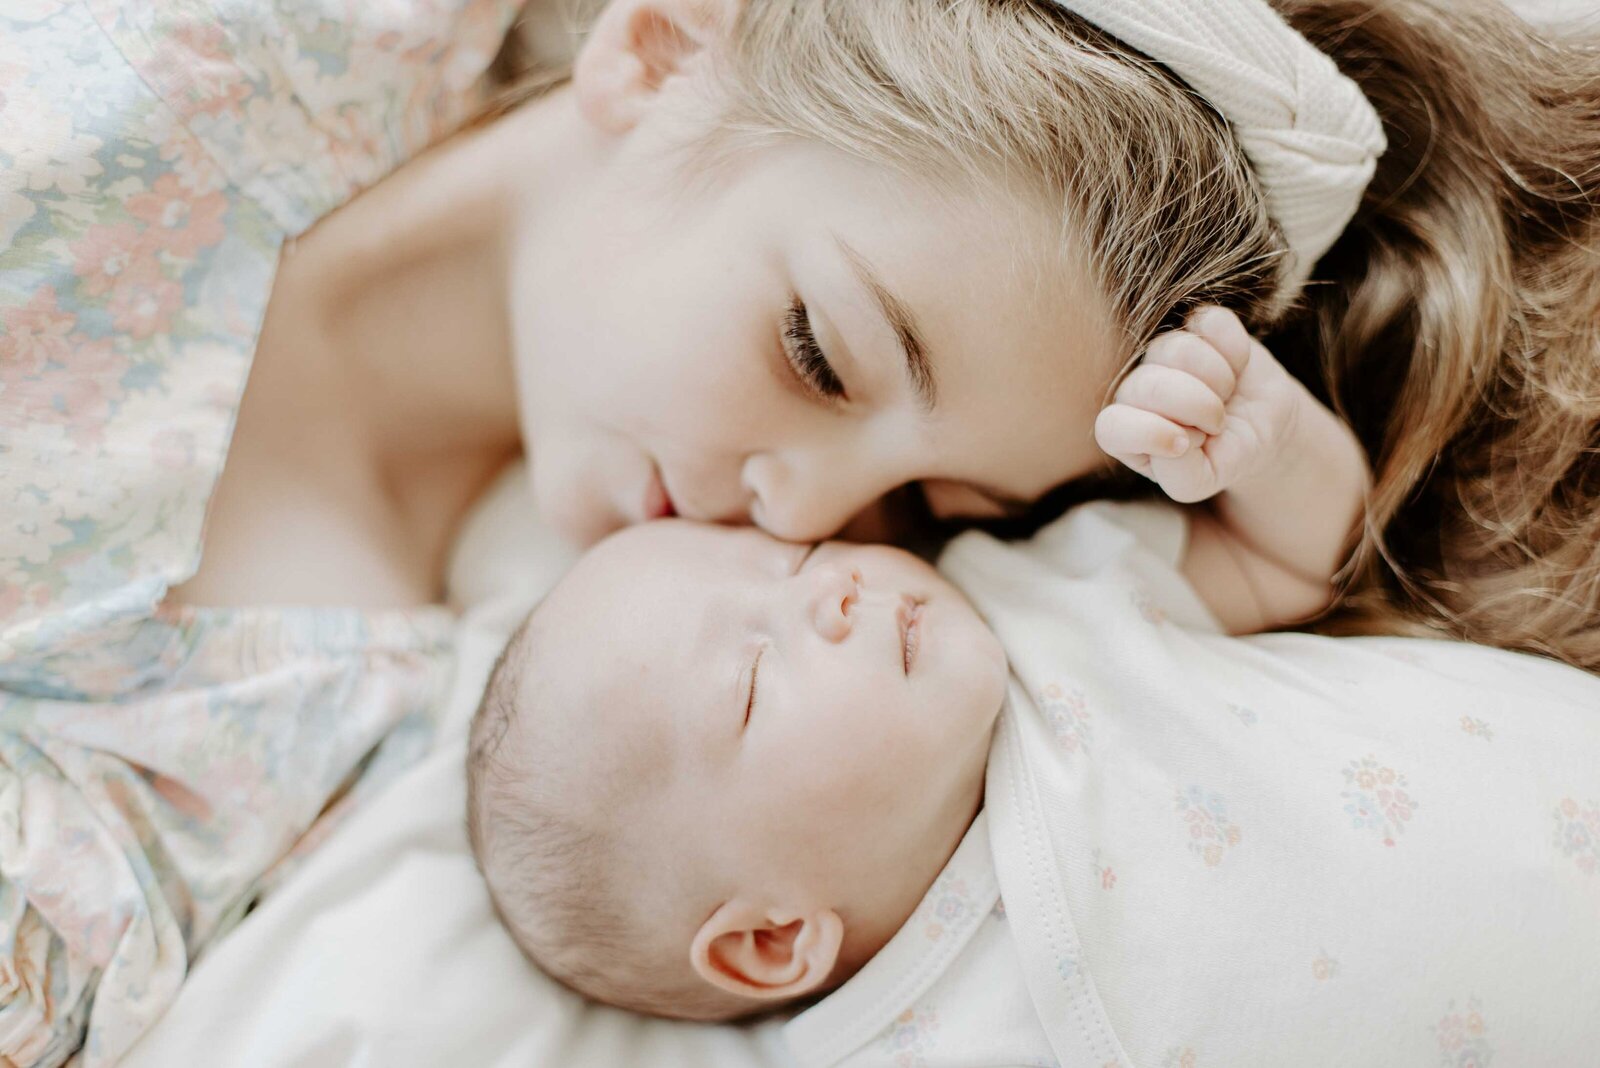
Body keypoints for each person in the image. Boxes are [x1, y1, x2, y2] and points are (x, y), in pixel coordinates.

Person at [2, 0, 1594, 1061]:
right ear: (669, 41)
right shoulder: (263, 45)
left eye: (934, 508)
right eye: (821, 353)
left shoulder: (383, 757)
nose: (817, 525)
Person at [464, 351, 1600, 1065]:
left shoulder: (1034, 610)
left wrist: (1267, 441)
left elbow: (1288, 564)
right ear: (770, 940)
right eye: (756, 683)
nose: (834, 589)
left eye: (796, 560)